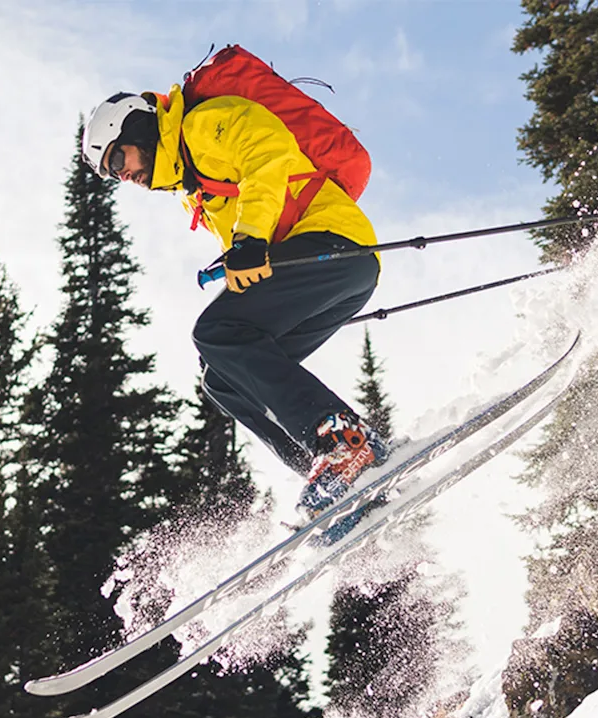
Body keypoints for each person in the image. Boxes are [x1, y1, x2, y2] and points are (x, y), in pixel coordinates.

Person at [82, 87, 389, 519]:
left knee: (216, 332)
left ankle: (342, 441)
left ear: (138, 126)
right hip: (323, 268)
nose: (125, 176)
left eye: (118, 160)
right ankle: (339, 480)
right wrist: (238, 257)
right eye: (114, 175)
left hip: (334, 246)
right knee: (223, 382)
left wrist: (248, 241)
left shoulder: (203, 124)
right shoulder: (195, 190)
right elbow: (254, 260)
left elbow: (270, 152)